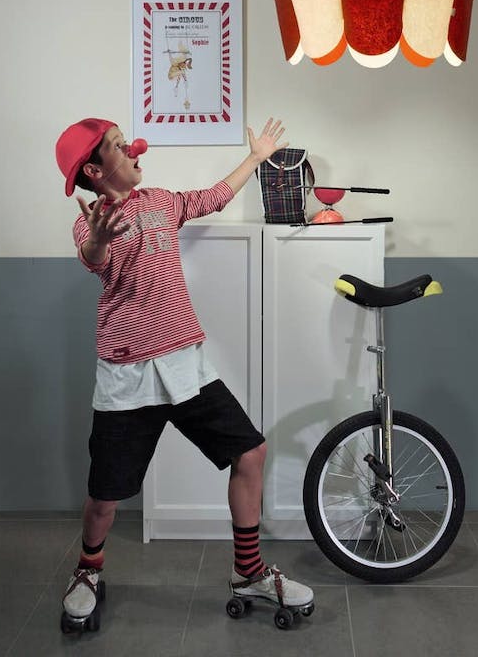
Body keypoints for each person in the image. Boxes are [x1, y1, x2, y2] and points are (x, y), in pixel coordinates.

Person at [55, 116, 313, 624]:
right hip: (127, 375)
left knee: (251, 452)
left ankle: (249, 572)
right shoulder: (91, 222)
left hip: (184, 363)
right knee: (105, 497)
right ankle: (87, 569)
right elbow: (93, 258)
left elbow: (214, 197)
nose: (133, 148)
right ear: (94, 170)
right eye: (118, 146)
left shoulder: (161, 200)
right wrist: (99, 239)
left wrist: (256, 157)